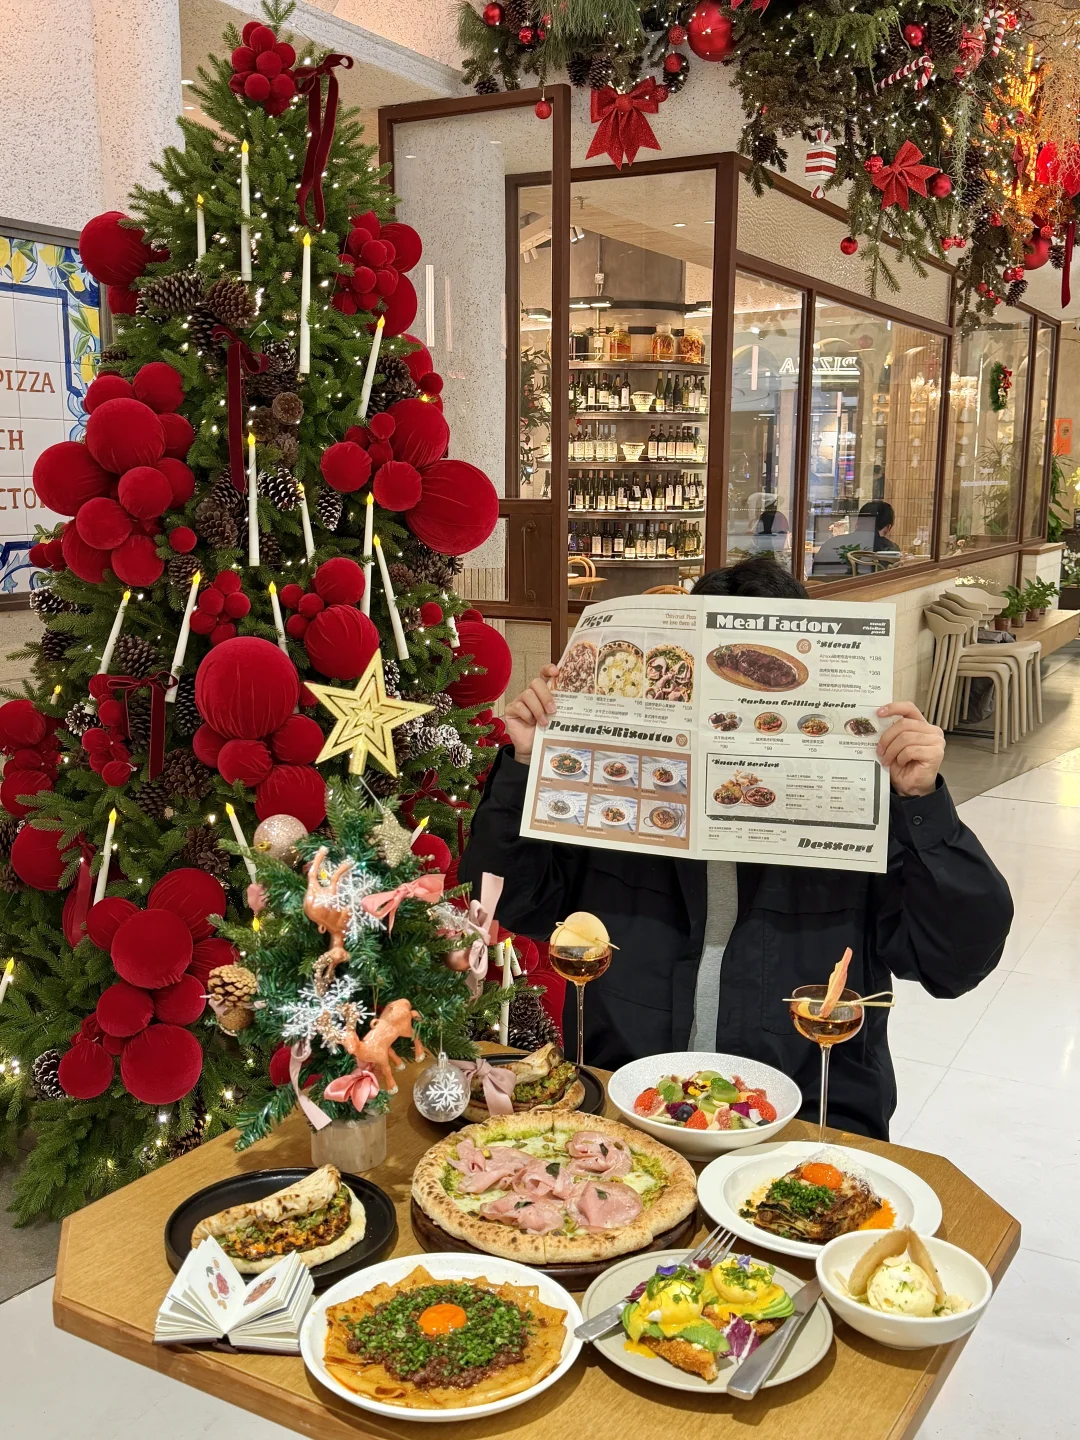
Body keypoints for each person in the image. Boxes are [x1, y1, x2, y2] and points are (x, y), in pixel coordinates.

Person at [458, 557, 1012, 1139]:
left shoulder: (860, 805)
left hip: (806, 1118)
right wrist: (526, 765)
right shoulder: (623, 795)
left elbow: (955, 962)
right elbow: (508, 903)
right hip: (628, 1103)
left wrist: (921, 803)